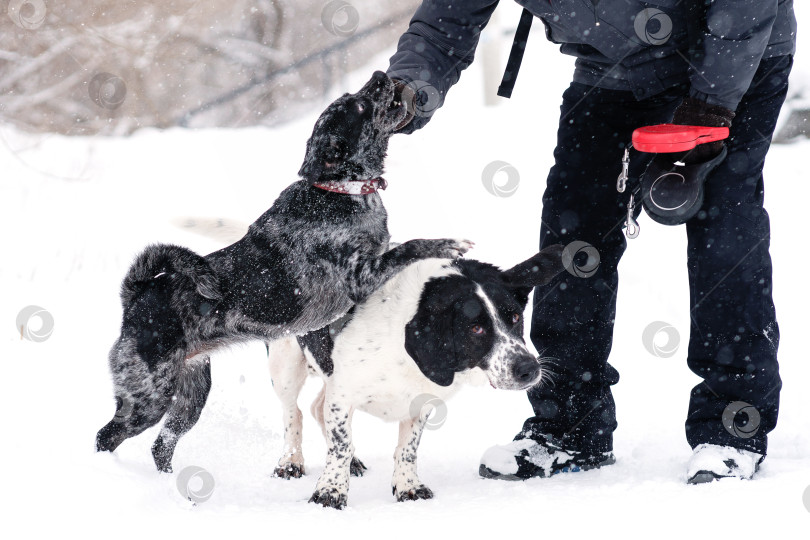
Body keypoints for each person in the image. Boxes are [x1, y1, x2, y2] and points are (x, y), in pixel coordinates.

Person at [384, 0, 796, 483]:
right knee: (573, 238)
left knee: (724, 232)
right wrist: (409, 88)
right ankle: (569, 425)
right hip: (614, 69)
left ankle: (731, 425)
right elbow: (448, 16)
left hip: (734, 60)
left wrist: (712, 101)